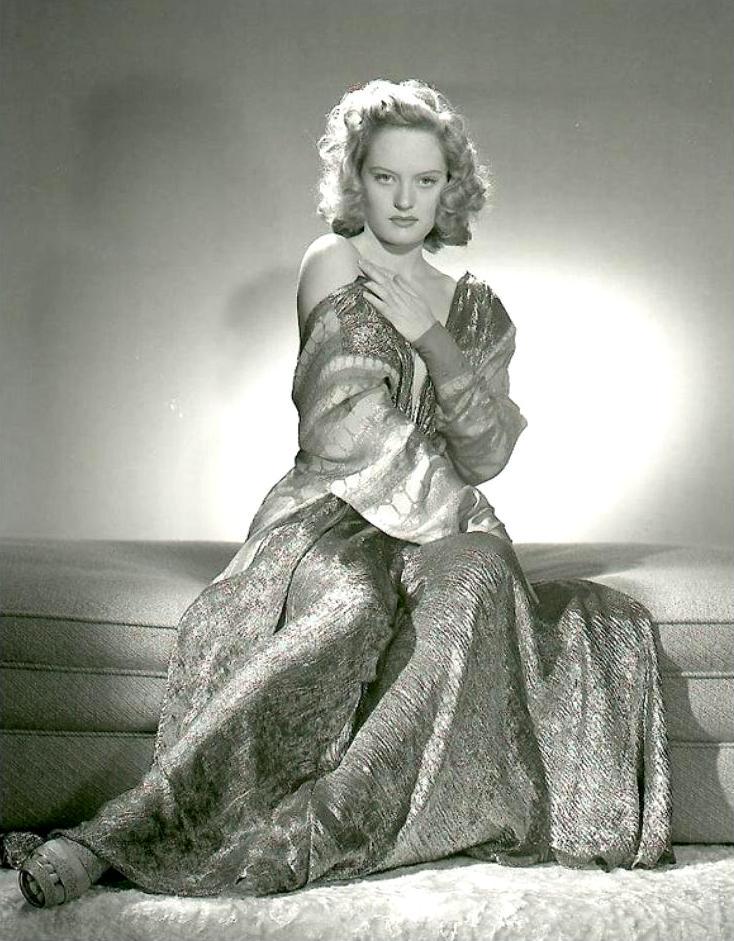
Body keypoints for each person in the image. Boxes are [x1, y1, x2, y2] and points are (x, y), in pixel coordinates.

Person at [10, 78, 675, 907]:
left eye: (425, 179)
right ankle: (113, 835)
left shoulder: (482, 312)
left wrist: (436, 343)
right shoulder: (332, 262)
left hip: (440, 533)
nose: (404, 199)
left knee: (478, 581)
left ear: (452, 187)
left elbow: (488, 451)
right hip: (331, 514)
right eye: (385, 176)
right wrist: (464, 513)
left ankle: (310, 833)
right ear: (355, 179)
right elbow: (344, 425)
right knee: (354, 605)